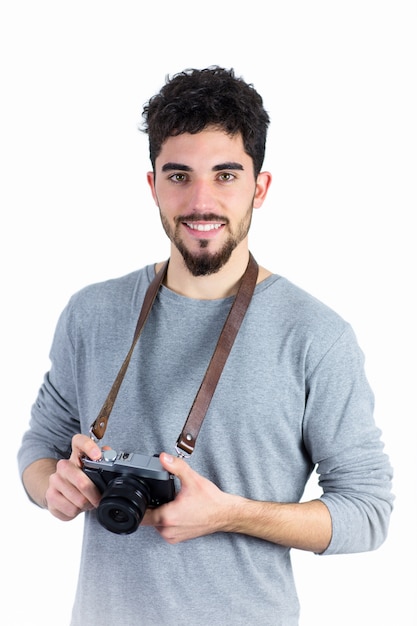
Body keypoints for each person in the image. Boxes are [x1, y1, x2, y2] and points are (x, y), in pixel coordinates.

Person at [18, 66, 394, 626]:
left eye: (225, 175)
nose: (200, 201)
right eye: (178, 176)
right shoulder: (91, 312)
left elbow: (368, 513)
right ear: (152, 186)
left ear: (259, 188)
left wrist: (230, 514)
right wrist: (56, 486)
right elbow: (38, 449)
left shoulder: (316, 335)